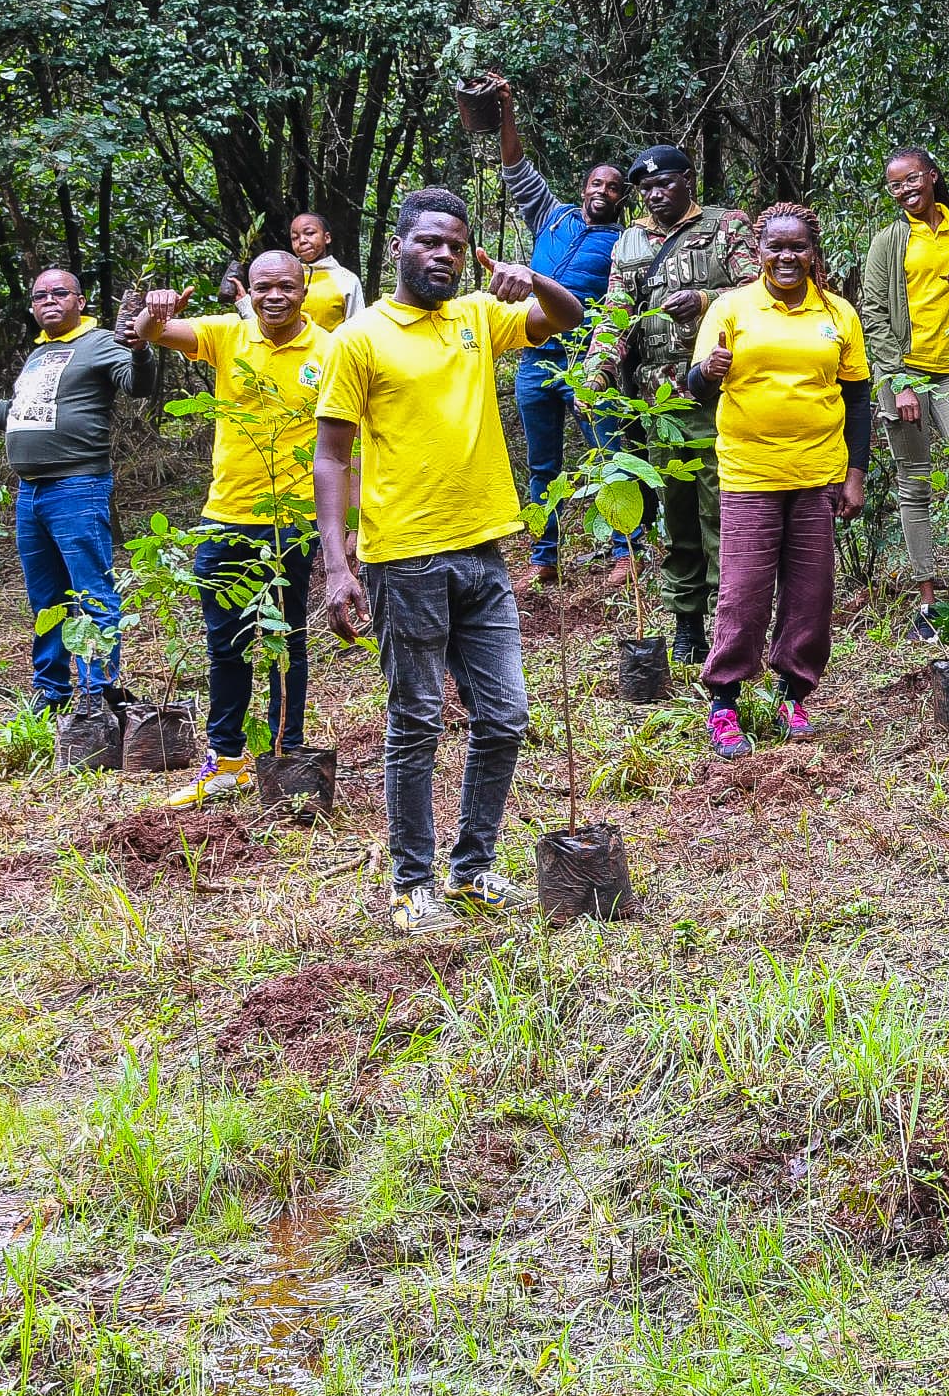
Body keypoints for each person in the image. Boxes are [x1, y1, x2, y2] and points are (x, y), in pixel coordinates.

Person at [312, 189, 579, 932]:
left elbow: (568, 318)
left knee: (505, 715)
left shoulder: (476, 318)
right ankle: (412, 883)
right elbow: (332, 457)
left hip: (483, 552)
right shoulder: (358, 338)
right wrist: (338, 567)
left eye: (455, 246)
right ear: (398, 246)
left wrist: (534, 278)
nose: (443, 255)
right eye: (429, 242)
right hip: (404, 558)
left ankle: (472, 868)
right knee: (417, 719)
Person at [126, 252, 335, 811]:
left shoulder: (331, 349)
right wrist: (153, 310)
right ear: (250, 290)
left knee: (287, 642)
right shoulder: (226, 335)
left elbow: (343, 448)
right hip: (226, 518)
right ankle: (228, 760)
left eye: (286, 287)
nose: (274, 297)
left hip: (292, 521)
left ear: (304, 287)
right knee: (227, 645)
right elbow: (148, 335)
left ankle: (287, 758)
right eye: (263, 287)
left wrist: (348, 532)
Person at [688, 206, 873, 751]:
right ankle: (724, 701)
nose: (787, 257)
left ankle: (794, 693)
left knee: (811, 594)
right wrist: (707, 372)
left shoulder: (838, 314)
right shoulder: (730, 308)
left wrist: (854, 474)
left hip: (817, 473)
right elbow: (696, 387)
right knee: (743, 591)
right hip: (750, 472)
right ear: (759, 251)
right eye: (776, 248)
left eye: (797, 248)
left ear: (813, 253)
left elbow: (857, 397)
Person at [588, 147, 767, 673]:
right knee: (677, 515)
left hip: (719, 393)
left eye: (664, 183)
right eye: (645, 189)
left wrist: (707, 298)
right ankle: (685, 619)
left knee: (721, 512)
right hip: (659, 402)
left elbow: (759, 291)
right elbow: (616, 310)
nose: (654, 194)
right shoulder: (631, 241)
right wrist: (597, 371)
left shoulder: (725, 226)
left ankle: (726, 623)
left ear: (688, 181)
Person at [0, 269, 145, 715]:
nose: (49, 300)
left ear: (80, 300)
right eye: (40, 295)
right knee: (46, 599)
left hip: (77, 486)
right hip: (30, 493)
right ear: (32, 306)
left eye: (60, 292)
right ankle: (51, 692)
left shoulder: (99, 343)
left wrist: (141, 347)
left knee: (92, 593)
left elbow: (139, 385)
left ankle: (96, 694)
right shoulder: (40, 355)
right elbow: (16, 416)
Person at [461, 77, 628, 586]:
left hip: (587, 362)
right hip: (537, 358)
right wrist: (506, 108)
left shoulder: (626, 242)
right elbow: (516, 168)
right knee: (542, 466)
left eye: (614, 187)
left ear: (624, 198)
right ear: (584, 189)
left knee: (609, 455)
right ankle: (543, 557)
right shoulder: (551, 218)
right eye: (596, 184)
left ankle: (627, 551)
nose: (603, 191)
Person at [857, 148, 949, 581]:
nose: (904, 190)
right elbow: (872, 311)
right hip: (905, 372)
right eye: (895, 185)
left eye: (911, 179)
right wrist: (898, 379)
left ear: (932, 176)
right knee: (915, 482)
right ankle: (928, 594)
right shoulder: (888, 240)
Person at [288, 211, 362, 330]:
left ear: (326, 238)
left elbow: (356, 329)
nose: (301, 240)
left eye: (309, 233)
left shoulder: (347, 279)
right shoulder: (285, 275)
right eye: (295, 238)